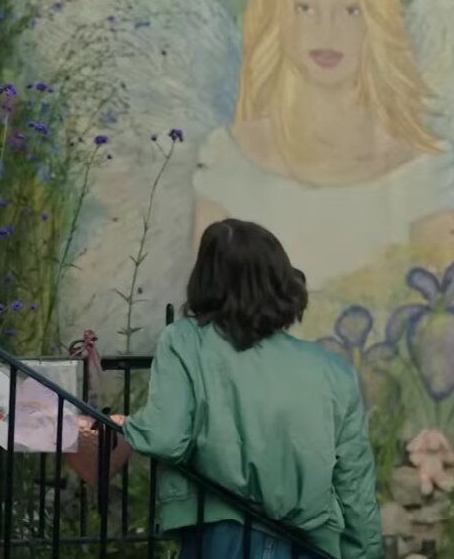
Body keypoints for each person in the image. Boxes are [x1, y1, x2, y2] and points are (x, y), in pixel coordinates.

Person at [193, 0, 454, 291]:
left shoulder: (424, 170)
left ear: (376, 21)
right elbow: (207, 305)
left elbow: (445, 308)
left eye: (351, 10)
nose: (327, 29)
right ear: (277, 17)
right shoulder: (229, 158)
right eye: (304, 7)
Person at [116, 218, 383, 559]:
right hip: (308, 543)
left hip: (225, 536)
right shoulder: (334, 371)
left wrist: (124, 427)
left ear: (205, 278)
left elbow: (166, 438)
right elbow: (355, 487)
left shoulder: (186, 341)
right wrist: (365, 554)